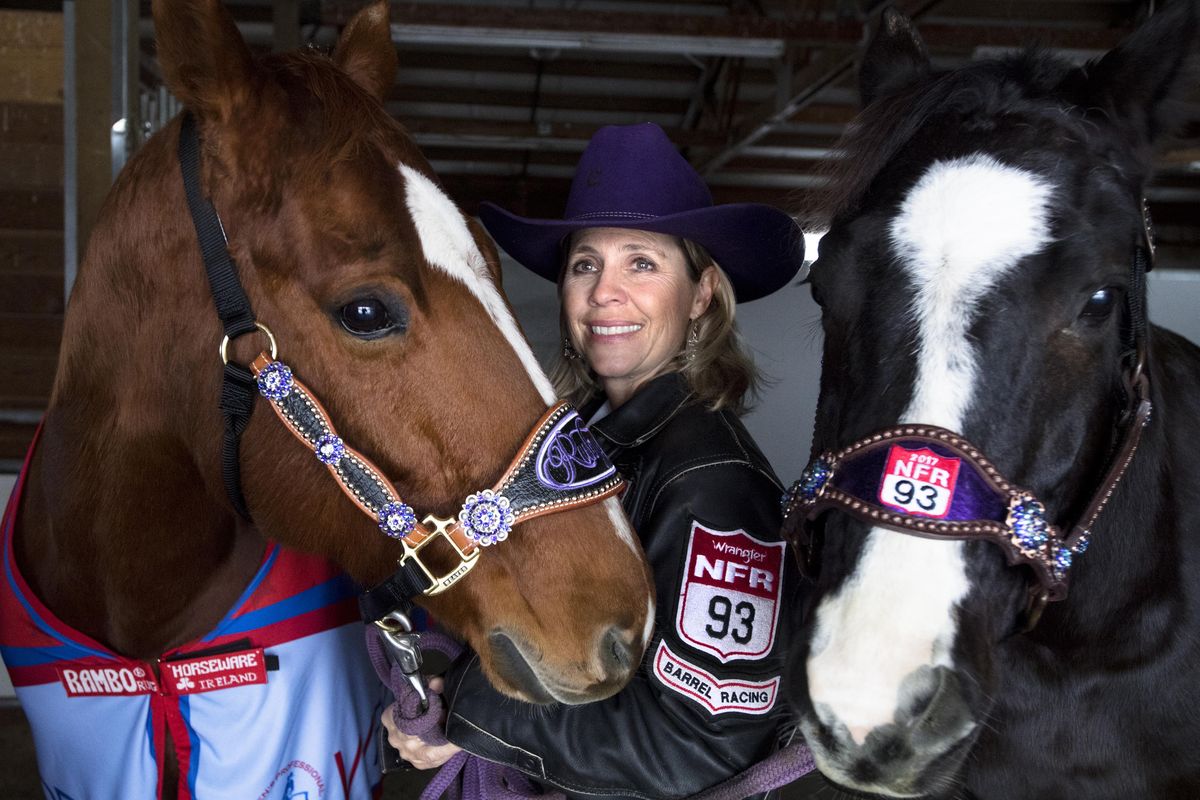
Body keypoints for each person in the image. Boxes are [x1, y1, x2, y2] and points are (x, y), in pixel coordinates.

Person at [383, 122, 807, 799]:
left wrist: (466, 714)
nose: (605, 292)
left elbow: (693, 746)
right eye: (587, 264)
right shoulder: (571, 445)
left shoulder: (715, 484)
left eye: (641, 263)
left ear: (701, 294)